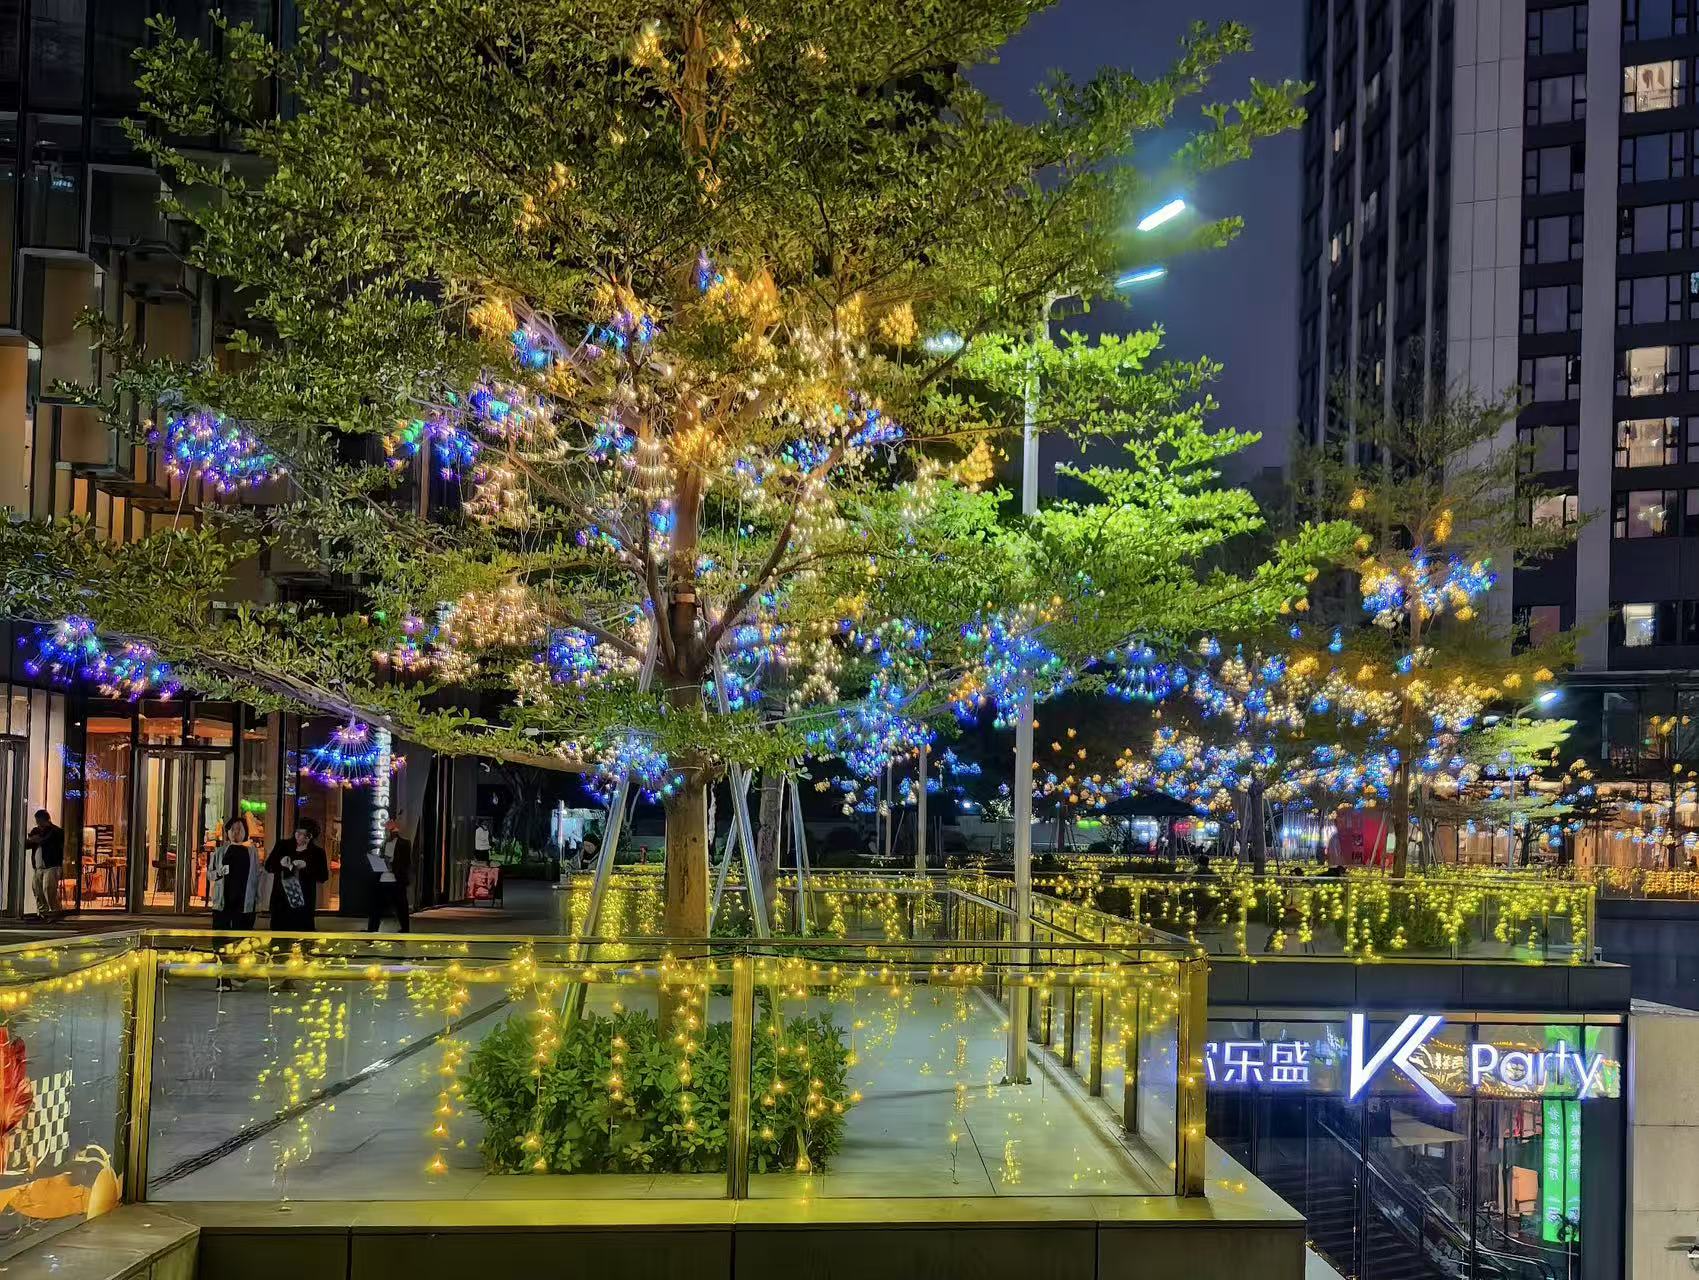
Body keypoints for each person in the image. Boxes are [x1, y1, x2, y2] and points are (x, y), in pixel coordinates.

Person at [266, 819, 329, 932]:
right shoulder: (282, 846)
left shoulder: (317, 852)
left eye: (303, 834)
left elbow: (323, 876)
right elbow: (268, 866)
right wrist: (281, 863)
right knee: (279, 935)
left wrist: (306, 866)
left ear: (310, 836)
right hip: (281, 901)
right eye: (297, 832)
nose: (298, 836)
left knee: (302, 935)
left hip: (303, 904)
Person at [210, 817, 261, 931]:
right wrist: (218, 873)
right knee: (221, 936)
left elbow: (257, 876)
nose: (236, 832)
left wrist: (258, 899)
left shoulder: (252, 852)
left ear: (245, 831)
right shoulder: (220, 851)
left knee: (242, 936)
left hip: (245, 903)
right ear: (227, 832)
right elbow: (210, 874)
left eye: (239, 829)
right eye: (232, 829)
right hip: (223, 902)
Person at [367, 819, 412, 933]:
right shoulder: (384, 844)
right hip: (383, 878)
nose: (388, 833)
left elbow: (406, 862)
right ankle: (372, 929)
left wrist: (392, 864)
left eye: (390, 830)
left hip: (396, 880)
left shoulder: (404, 843)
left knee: (401, 906)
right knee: (376, 906)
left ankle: (405, 929)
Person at [25, 810, 63, 923]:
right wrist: (33, 839)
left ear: (43, 819)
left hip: (51, 865)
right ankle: (42, 914)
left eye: (38, 820)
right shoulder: (36, 830)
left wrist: (36, 839)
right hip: (38, 866)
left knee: (49, 889)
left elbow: (44, 840)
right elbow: (27, 844)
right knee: (37, 890)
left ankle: (54, 913)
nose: (37, 822)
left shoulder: (55, 831)